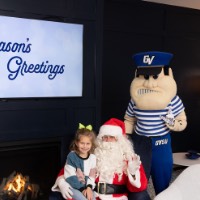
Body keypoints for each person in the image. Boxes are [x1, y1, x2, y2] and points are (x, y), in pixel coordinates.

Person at [124, 51, 187, 194]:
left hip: (161, 143)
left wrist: (174, 124)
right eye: (145, 76)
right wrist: (125, 138)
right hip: (140, 142)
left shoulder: (172, 99)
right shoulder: (135, 100)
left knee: (162, 180)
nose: (150, 83)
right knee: (138, 181)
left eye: (155, 76)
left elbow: (182, 121)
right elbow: (129, 119)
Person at [50, 118, 149, 200]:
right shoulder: (92, 154)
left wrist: (133, 173)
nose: (108, 141)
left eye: (112, 137)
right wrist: (61, 183)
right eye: (104, 137)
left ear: (120, 140)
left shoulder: (130, 158)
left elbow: (140, 188)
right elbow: (69, 168)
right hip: (92, 195)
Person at [51, 123, 97, 200]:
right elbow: (70, 177)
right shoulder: (72, 156)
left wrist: (89, 188)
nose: (85, 146)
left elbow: (92, 176)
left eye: (88, 143)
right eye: (82, 143)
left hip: (87, 187)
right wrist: (82, 189)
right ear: (76, 143)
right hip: (73, 186)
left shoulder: (92, 158)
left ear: (91, 144)